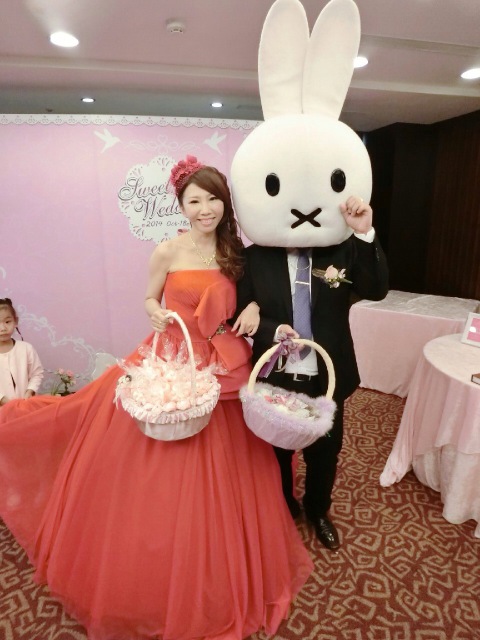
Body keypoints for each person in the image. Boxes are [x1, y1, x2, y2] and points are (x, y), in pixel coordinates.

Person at [0, 156, 312, 640]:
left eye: (213, 199)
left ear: (225, 203)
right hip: (172, 357)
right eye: (194, 201)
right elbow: (149, 297)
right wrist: (153, 311)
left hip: (223, 364)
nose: (205, 209)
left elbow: (254, 296)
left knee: (234, 463)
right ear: (181, 206)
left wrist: (251, 304)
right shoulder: (166, 251)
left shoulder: (236, 252)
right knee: (157, 455)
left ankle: (220, 551)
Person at [235, 198, 389, 552]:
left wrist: (365, 232)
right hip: (276, 372)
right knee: (276, 449)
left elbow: (376, 290)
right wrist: (270, 327)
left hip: (328, 374)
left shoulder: (340, 247)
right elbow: (238, 310)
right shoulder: (255, 256)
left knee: (325, 450)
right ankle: (284, 505)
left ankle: (318, 510)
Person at [0, 297, 44, 407]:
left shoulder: (26, 348)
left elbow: (37, 373)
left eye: (7, 322)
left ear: (16, 321)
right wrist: (2, 399)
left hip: (25, 407)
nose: (3, 328)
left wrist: (30, 391)